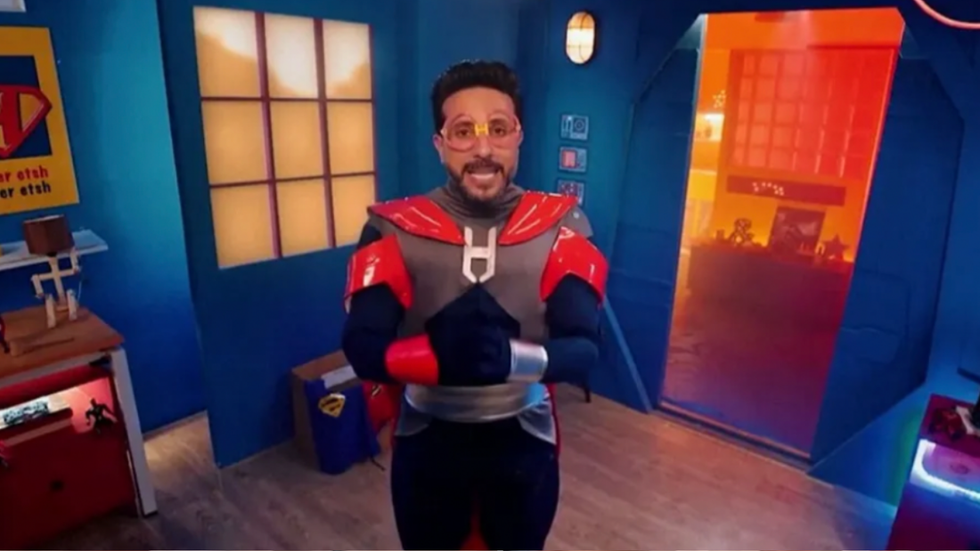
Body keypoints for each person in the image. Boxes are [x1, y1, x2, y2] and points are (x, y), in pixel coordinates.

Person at [341, 60, 608, 551]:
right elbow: (361, 347)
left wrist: (512, 359)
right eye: (463, 131)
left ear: (518, 136)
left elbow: (585, 348)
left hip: (523, 443)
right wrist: (433, 358)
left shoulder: (563, 223)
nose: (483, 149)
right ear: (439, 143)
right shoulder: (391, 228)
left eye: (499, 129)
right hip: (428, 444)